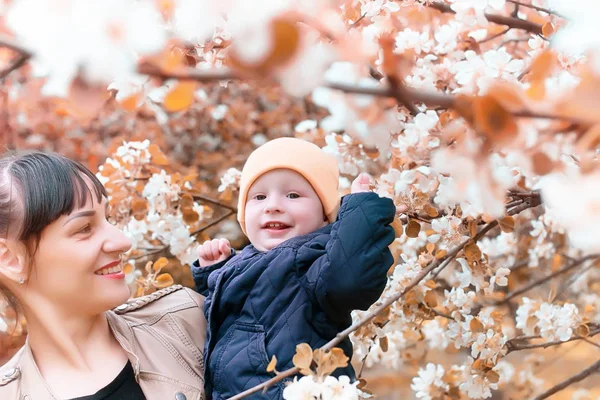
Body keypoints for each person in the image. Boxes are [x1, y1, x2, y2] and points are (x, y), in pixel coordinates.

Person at [192, 137, 398, 399]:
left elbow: (349, 281)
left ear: (325, 215)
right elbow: (229, 323)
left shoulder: (314, 261)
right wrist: (216, 273)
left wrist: (360, 214)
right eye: (259, 196)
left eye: (292, 195)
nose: (273, 205)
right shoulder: (245, 262)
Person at [0, 151, 207, 400]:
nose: (122, 241)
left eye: (107, 218)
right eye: (85, 228)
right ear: (10, 259)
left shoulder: (187, 321)